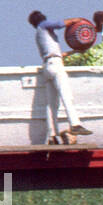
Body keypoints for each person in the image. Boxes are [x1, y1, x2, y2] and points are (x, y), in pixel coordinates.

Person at [28, 10, 92, 141]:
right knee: (66, 95)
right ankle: (75, 124)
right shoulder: (44, 25)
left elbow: (58, 53)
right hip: (55, 65)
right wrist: (76, 20)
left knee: (52, 104)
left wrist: (75, 51)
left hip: (47, 66)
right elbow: (59, 24)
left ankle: (52, 135)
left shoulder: (41, 34)